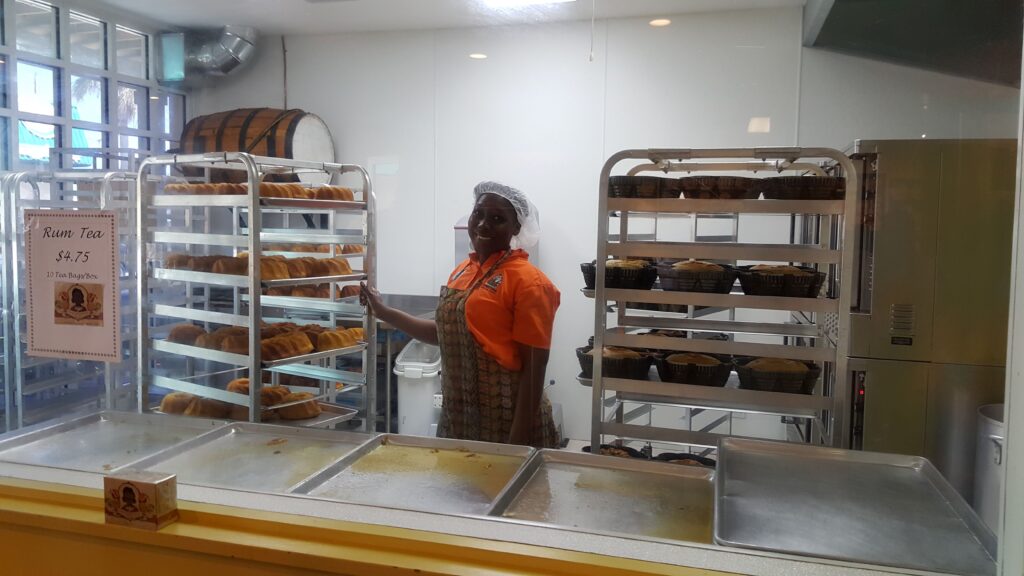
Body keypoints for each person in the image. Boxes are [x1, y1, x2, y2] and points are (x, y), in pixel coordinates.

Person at [361, 181, 560, 448]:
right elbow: (442, 333)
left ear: (516, 228)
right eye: (478, 213)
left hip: (509, 423)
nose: (483, 224)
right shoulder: (463, 270)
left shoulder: (530, 282)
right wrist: (384, 311)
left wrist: (517, 443)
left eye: (498, 218)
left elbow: (534, 368)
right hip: (459, 421)